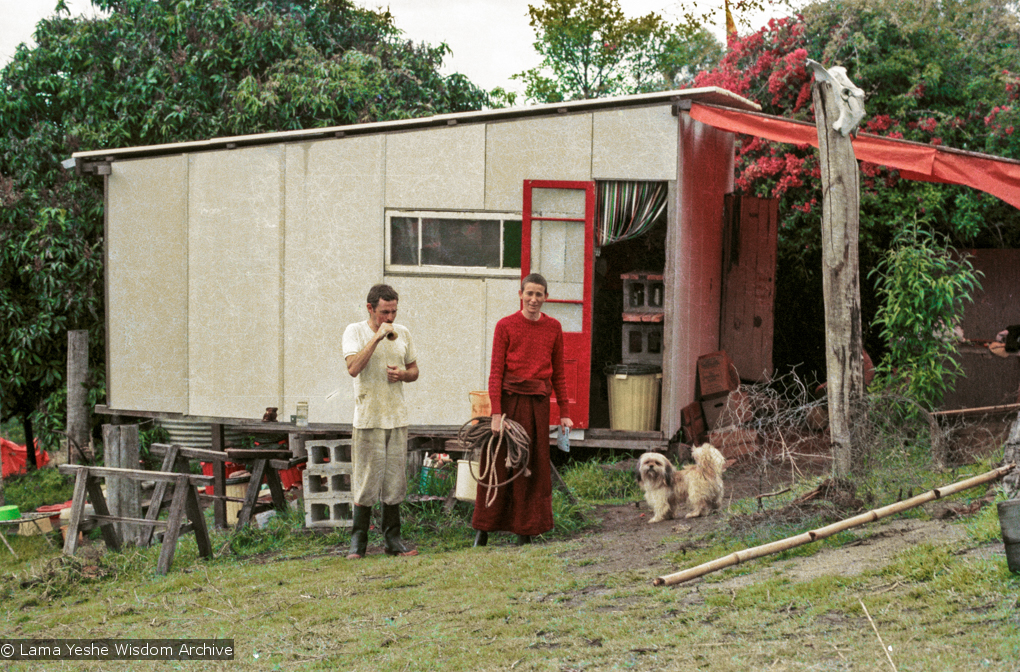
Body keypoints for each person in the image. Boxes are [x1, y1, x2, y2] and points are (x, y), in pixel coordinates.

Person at [472, 273, 574, 546]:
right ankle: (483, 529)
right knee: (497, 462)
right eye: (529, 293)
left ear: (546, 297)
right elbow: (496, 373)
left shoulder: (553, 327)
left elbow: (559, 374)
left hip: (537, 405)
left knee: (531, 465)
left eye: (539, 294)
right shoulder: (505, 326)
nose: (533, 299)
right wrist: (496, 413)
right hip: (508, 406)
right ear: (520, 294)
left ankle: (525, 531)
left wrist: (564, 410)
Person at [342, 284, 420, 559]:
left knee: (394, 482)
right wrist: (376, 338)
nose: (389, 318)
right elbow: (353, 368)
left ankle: (393, 541)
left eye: (394, 312)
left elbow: (415, 370)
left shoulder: (404, 333)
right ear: (370, 309)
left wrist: (403, 374)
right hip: (368, 418)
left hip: (396, 417)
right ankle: (358, 543)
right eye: (384, 312)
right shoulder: (355, 331)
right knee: (365, 481)